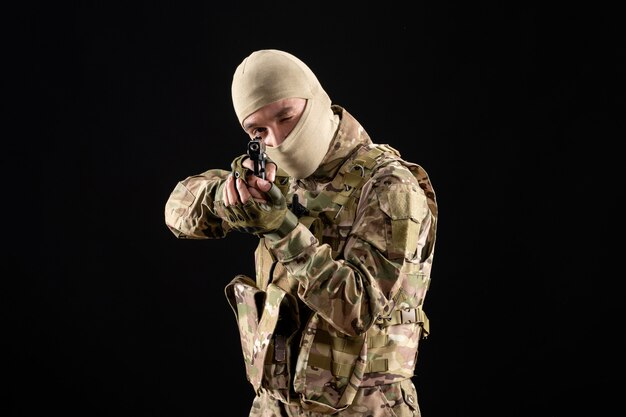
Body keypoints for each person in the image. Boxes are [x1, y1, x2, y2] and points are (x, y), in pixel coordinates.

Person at [164, 49, 438, 417]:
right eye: (258, 130)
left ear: (315, 99)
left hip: (367, 406)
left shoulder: (389, 185)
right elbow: (176, 213)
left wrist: (281, 229)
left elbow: (359, 309)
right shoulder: (275, 176)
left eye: (286, 116)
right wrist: (224, 196)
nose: (277, 139)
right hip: (274, 406)